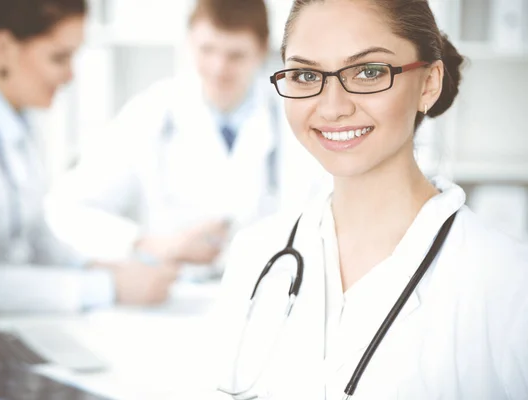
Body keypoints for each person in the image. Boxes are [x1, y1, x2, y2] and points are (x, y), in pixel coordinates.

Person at [210, 0, 528, 399]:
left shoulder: (509, 283)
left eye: (369, 72)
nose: (333, 107)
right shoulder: (254, 256)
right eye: (307, 75)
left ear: (428, 83)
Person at [0, 0, 178, 314]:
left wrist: (99, 268)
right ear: (4, 47)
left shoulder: (15, 114)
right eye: (59, 57)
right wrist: (109, 287)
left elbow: (34, 236)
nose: (71, 75)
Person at [46, 0, 326, 271]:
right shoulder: (150, 114)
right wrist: (151, 244)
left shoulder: (295, 118)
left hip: (272, 294)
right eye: (207, 50)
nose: (219, 68)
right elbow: (66, 210)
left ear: (262, 49)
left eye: (235, 55)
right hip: (172, 297)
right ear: (190, 40)